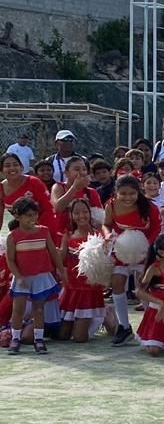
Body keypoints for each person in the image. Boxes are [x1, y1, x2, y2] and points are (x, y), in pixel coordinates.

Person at [105, 174, 162, 347]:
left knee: (143, 286)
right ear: (116, 193)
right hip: (121, 251)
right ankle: (124, 326)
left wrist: (146, 247)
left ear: (139, 192)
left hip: (144, 252)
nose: (127, 197)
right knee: (117, 283)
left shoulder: (150, 207)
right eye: (123, 193)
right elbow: (106, 224)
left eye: (132, 193)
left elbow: (156, 228)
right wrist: (108, 236)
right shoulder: (111, 205)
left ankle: (151, 325)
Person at [6, 197, 65, 354]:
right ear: (18, 217)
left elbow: (54, 253)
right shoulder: (13, 236)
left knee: (38, 310)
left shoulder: (44, 231)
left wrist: (62, 270)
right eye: (28, 215)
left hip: (41, 277)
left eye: (34, 214)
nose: (32, 218)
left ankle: (39, 340)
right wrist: (18, 276)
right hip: (22, 278)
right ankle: (15, 338)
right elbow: (10, 260)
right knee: (18, 310)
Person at [58, 198, 108, 343]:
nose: (81, 216)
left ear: (90, 213)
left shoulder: (98, 234)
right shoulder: (67, 236)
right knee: (63, 335)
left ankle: (106, 314)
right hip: (72, 289)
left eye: (85, 212)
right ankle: (102, 315)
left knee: (79, 338)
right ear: (71, 215)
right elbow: (60, 260)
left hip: (89, 290)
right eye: (77, 213)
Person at [2, 152, 59, 241]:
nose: (12, 168)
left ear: (22, 168)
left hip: (45, 225)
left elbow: (49, 209)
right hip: (22, 228)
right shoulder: (1, 189)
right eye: (7, 166)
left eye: (15, 165)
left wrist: (43, 232)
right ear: (1, 171)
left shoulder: (34, 182)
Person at [50, 154, 101, 240]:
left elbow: (100, 220)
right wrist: (74, 188)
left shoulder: (91, 192)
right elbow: (57, 207)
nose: (81, 172)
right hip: (62, 236)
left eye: (84, 169)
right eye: (77, 169)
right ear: (66, 173)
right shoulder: (58, 187)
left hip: (85, 237)